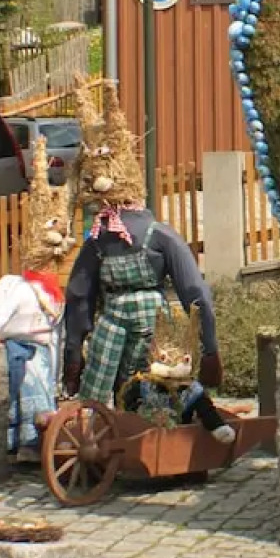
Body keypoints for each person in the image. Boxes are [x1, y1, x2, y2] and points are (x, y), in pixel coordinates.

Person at [61, 82, 224, 409]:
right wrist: (210, 348)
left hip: (111, 324)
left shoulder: (97, 241)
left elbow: (79, 297)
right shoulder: (160, 235)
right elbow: (195, 292)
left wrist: (74, 354)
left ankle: (97, 422)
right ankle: (151, 421)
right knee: (154, 378)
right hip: (154, 322)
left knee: (104, 382)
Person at [0, 137, 74, 463]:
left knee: (23, 384)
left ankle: (22, 440)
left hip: (24, 356)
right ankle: (34, 438)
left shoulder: (15, 286)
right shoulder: (54, 293)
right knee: (36, 389)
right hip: (39, 356)